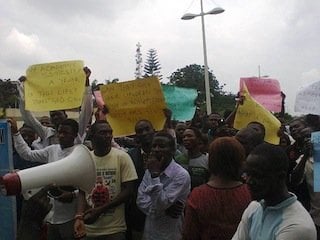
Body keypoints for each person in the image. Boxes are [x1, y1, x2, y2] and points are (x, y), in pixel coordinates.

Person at [10, 118, 82, 240]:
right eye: (59, 132)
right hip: (51, 218)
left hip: (70, 217)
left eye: (66, 133)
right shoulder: (52, 150)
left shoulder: (80, 153)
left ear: (75, 135)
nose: (61, 136)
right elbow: (27, 154)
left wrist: (72, 195)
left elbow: (86, 186)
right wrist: (16, 133)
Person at [232, 143, 316, 240]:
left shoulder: (297, 227)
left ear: (280, 176)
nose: (249, 181)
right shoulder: (254, 208)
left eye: (257, 175)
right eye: (247, 174)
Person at [74, 120, 138, 239]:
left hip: (114, 230)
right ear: (92, 136)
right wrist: (79, 217)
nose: (108, 136)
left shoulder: (122, 157)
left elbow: (128, 191)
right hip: (88, 230)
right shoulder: (86, 159)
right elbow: (82, 192)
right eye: (103, 133)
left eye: (110, 132)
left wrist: (100, 210)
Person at [182, 137, 251, 240]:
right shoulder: (249, 193)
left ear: (212, 160)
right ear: (240, 160)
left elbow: (189, 234)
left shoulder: (198, 195)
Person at [17, 66, 93, 149]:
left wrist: (86, 83)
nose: (56, 117)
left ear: (65, 115)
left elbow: (87, 111)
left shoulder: (77, 130)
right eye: (53, 115)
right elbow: (29, 119)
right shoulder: (46, 133)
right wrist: (22, 90)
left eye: (58, 114)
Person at [136, 131, 191, 240]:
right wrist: (164, 210)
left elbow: (162, 203)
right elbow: (140, 200)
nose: (156, 149)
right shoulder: (149, 171)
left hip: (170, 235)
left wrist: (155, 176)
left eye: (161, 146)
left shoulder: (181, 175)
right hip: (149, 234)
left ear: (172, 150)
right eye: (154, 146)